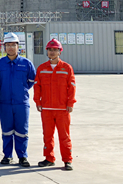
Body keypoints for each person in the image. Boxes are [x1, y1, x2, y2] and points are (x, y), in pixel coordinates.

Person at [0, 32, 36, 167]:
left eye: (13, 45)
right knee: (6, 130)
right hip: (4, 102)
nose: (11, 48)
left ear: (18, 46)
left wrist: (21, 90)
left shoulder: (26, 63)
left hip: (21, 102)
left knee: (22, 130)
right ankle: (7, 155)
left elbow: (31, 81)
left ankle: (22, 156)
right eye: (8, 45)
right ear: (4, 47)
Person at [34, 38, 76, 171]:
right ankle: (49, 158)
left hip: (62, 109)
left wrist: (70, 102)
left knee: (64, 136)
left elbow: (72, 87)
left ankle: (67, 160)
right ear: (47, 51)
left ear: (60, 52)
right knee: (47, 135)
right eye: (50, 50)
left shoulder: (67, 68)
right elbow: (37, 86)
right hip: (46, 108)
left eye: (55, 50)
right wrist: (38, 101)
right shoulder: (41, 68)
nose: (52, 52)